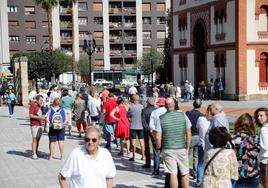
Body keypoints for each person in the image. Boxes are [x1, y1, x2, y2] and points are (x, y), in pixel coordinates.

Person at [155, 98, 192, 188]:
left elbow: (157, 136)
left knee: (172, 173)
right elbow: (188, 132)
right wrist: (187, 146)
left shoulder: (161, 118)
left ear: (165, 106)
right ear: (174, 105)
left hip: (167, 148)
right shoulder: (183, 115)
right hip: (181, 147)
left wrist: (159, 147)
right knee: (185, 171)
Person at [232, 113, 260, 188]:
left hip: (236, 174)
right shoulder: (256, 139)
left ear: (238, 124)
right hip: (252, 174)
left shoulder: (232, 139)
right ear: (251, 125)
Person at [185, 98, 204, 180]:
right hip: (198, 136)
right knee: (196, 156)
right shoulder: (201, 115)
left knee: (187, 155)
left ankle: (185, 172)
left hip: (191, 136)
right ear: (200, 106)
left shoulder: (188, 113)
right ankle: (195, 173)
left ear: (193, 104)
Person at [141, 97, 160, 175]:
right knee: (156, 149)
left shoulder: (144, 110)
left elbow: (143, 121)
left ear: (148, 103)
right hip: (155, 130)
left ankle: (148, 163)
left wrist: (148, 129)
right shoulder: (156, 110)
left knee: (147, 147)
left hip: (147, 131)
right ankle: (156, 168)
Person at [195, 105, 212, 187]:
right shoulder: (213, 120)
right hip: (210, 145)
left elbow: (197, 128)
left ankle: (199, 182)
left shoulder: (201, 119)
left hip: (201, 143)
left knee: (200, 164)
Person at [127, 94, 145, 161]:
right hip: (141, 126)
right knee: (141, 141)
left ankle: (133, 157)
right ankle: (143, 156)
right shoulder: (142, 107)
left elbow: (127, 116)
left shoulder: (131, 107)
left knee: (133, 142)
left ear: (133, 100)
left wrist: (130, 118)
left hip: (133, 126)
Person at [29, 95, 46, 160]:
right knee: (35, 139)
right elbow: (30, 115)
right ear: (37, 100)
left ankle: (36, 151)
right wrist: (40, 117)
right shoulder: (33, 105)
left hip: (39, 124)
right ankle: (34, 154)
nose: (42, 101)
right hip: (34, 125)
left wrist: (43, 117)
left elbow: (39, 114)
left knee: (38, 139)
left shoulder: (39, 106)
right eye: (40, 100)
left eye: (42, 100)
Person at [254, 107, 268, 188]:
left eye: (261, 115)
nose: (259, 117)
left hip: (265, 160)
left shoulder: (263, 129)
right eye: (258, 116)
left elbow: (265, 146)